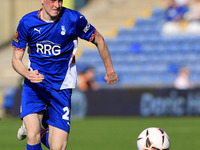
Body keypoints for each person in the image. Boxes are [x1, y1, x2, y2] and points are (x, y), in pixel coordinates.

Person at [12, 0, 118, 150]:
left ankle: (34, 128)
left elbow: (99, 40)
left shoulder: (74, 19)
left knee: (58, 147)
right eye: (52, 0)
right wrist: (27, 74)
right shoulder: (27, 22)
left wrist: (110, 71)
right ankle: (32, 128)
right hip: (35, 86)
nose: (57, 5)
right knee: (32, 135)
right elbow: (16, 59)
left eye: (60, 0)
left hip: (61, 88)